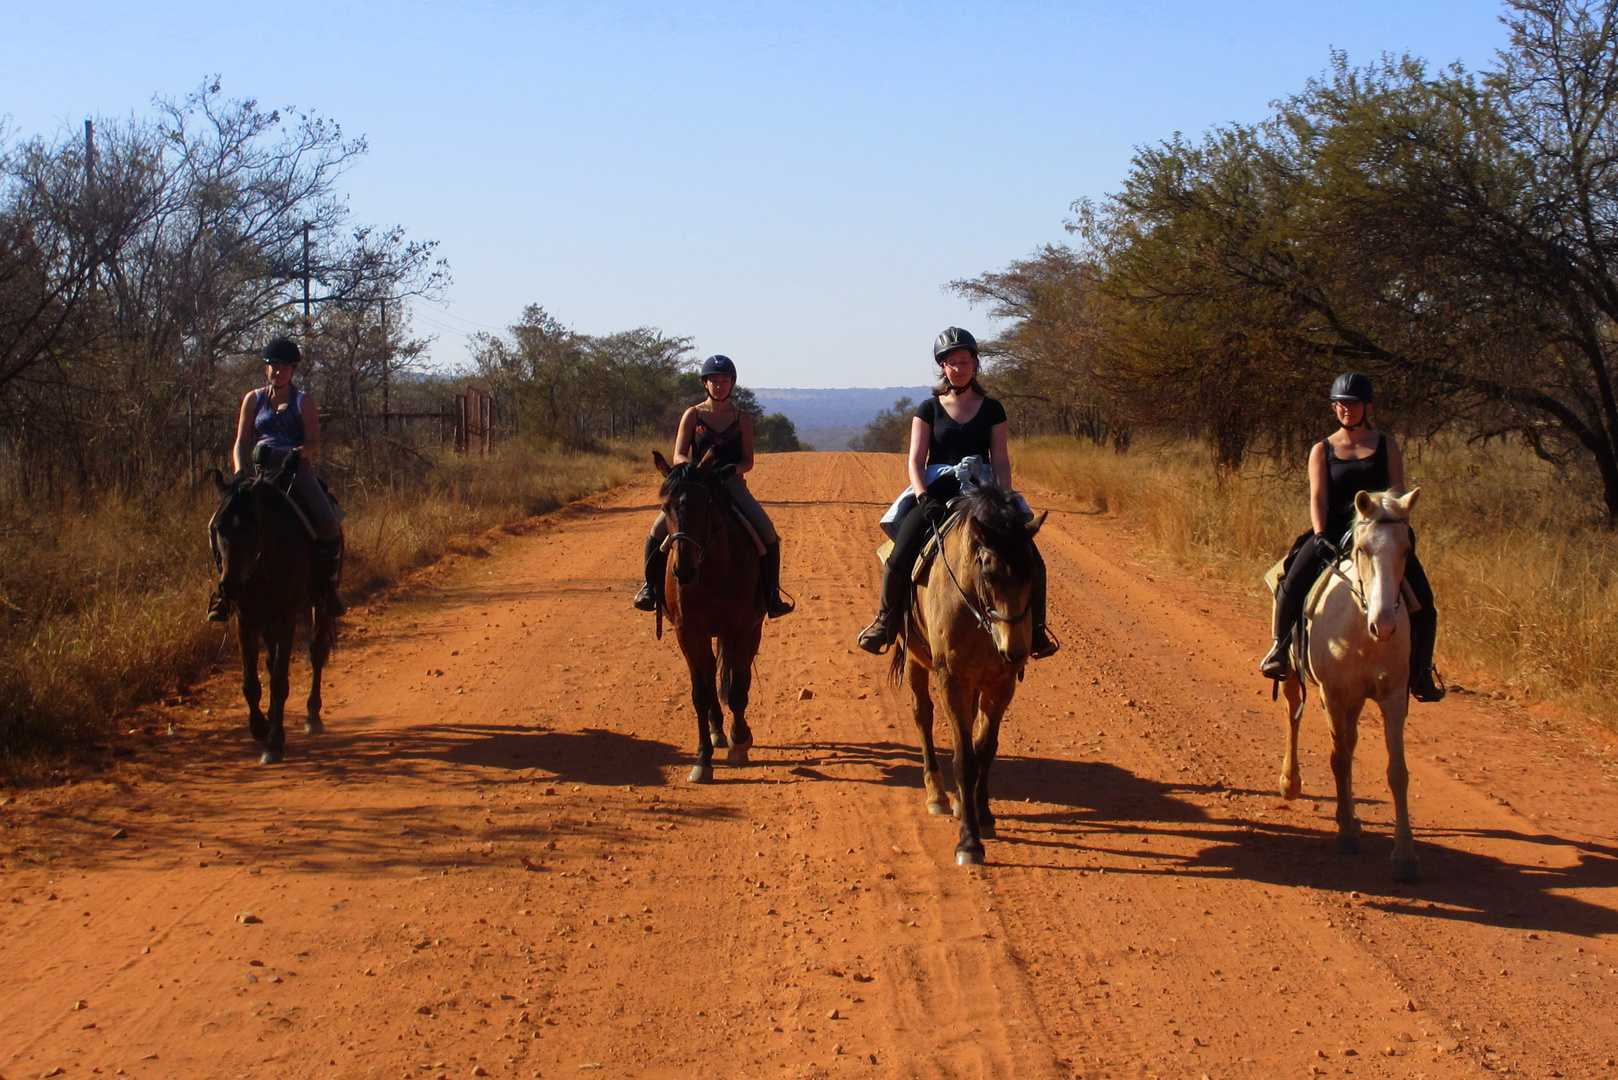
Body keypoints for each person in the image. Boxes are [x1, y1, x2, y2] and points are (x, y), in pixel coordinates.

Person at [856, 327, 1057, 658]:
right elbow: (915, 461)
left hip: (984, 488)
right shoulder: (928, 409)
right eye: (952, 362)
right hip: (938, 488)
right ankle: (884, 623)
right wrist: (923, 497)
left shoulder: (992, 408)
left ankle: (1035, 631)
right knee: (900, 553)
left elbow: (1001, 460)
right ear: (943, 367)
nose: (959, 367)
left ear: (975, 364)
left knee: (1030, 557)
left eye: (965, 360)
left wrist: (1005, 497)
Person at [1260, 372, 1443, 701]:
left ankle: (1422, 672)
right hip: (1332, 536)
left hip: (1378, 539)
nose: (1347, 409)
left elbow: (1397, 496)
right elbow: (1318, 498)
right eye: (1341, 404)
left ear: (1367, 407)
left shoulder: (1387, 446)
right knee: (1289, 585)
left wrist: (1398, 535)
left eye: (1354, 404)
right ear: (1334, 407)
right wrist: (1318, 536)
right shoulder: (1322, 449)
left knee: (1425, 604)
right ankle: (1280, 650)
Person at [632, 354, 794, 619]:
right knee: (657, 530)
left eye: (725, 380)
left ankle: (771, 595)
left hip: (732, 486)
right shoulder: (693, 414)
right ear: (704, 384)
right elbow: (678, 455)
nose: (719, 385)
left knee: (766, 532)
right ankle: (650, 589)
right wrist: (698, 470)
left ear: (732, 384)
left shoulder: (742, 418)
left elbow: (747, 460)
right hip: (696, 485)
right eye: (714, 380)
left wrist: (731, 468)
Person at [207, 336, 346, 621]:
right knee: (218, 524)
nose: (277, 372)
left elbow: (313, 441)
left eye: (283, 367)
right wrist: (237, 472)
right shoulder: (253, 399)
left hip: (296, 470)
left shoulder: (303, 400)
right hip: (259, 473)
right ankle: (225, 591)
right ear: (265, 369)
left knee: (328, 523)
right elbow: (241, 441)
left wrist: (298, 454)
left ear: (292, 370)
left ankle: (328, 590)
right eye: (272, 366)